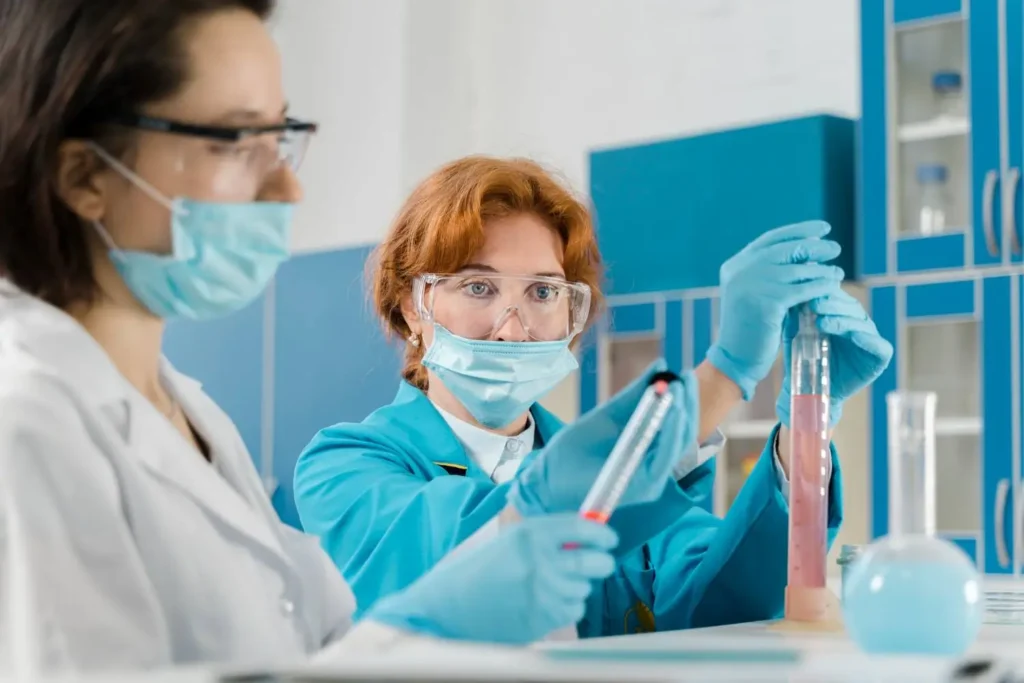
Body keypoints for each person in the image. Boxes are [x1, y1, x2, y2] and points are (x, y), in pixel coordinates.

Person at [0, 0, 691, 672]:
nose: (288, 189)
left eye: (282, 139)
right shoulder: (26, 422)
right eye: (237, 141)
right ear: (86, 174)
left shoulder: (194, 417)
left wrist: (412, 630)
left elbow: (307, 648)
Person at [294, 157, 895, 637]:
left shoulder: (625, 479)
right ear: (411, 307)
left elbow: (725, 602)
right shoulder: (345, 465)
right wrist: (725, 375)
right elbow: (491, 543)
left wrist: (804, 430)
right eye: (479, 287)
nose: (512, 327)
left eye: (543, 292)